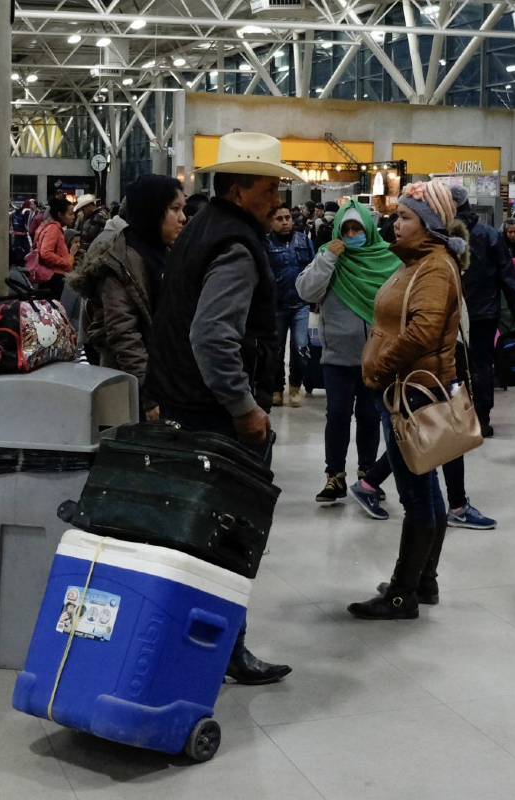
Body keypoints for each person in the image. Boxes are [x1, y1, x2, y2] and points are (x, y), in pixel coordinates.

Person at [143, 132, 292, 684]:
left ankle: (200, 642)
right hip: (214, 412)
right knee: (228, 533)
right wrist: (243, 406)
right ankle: (226, 647)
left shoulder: (202, 228)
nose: (278, 197)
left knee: (195, 532)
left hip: (183, 400)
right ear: (239, 187)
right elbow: (212, 336)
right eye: (270, 186)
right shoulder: (235, 244)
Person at [347, 180, 469, 620]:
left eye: (405, 217)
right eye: (397, 216)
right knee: (427, 491)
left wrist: (379, 369)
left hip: (410, 393)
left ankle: (402, 594)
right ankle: (424, 580)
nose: (393, 224)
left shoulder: (433, 267)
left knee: (416, 497)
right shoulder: (417, 262)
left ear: (430, 224)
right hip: (409, 390)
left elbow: (423, 332)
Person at [296, 199, 398, 504]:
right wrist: (327, 258)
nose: (353, 233)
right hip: (337, 357)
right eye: (347, 228)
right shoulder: (328, 258)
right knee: (337, 416)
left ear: (369, 228)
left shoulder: (388, 259)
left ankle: (367, 476)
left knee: (369, 417)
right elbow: (306, 291)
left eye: (358, 228)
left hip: (377, 357)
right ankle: (334, 477)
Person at [69, 175, 186, 418]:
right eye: (175, 209)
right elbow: (124, 334)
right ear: (152, 211)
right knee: (123, 447)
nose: (182, 217)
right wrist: (149, 395)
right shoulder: (119, 262)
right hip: (126, 385)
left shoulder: (166, 253)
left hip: (162, 380)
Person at [454, 185, 515, 437]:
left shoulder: (441, 234)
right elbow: (507, 274)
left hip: (451, 313)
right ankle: (481, 418)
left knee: (452, 364)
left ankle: (457, 416)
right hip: (485, 312)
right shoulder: (489, 234)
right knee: (482, 364)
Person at [265, 204, 316, 408]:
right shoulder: (266, 243)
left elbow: (313, 269)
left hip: (301, 304)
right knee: (275, 350)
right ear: (271, 221)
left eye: (287, 217)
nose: (285, 222)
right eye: (280, 218)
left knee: (300, 346)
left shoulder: (304, 241)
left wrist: (315, 298)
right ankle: (277, 388)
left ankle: (296, 386)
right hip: (276, 306)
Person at [32, 196, 78, 297]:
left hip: (49, 276)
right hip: (54, 277)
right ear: (60, 215)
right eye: (70, 214)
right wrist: (65, 263)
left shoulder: (46, 226)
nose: (73, 217)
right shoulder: (54, 228)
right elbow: (46, 253)